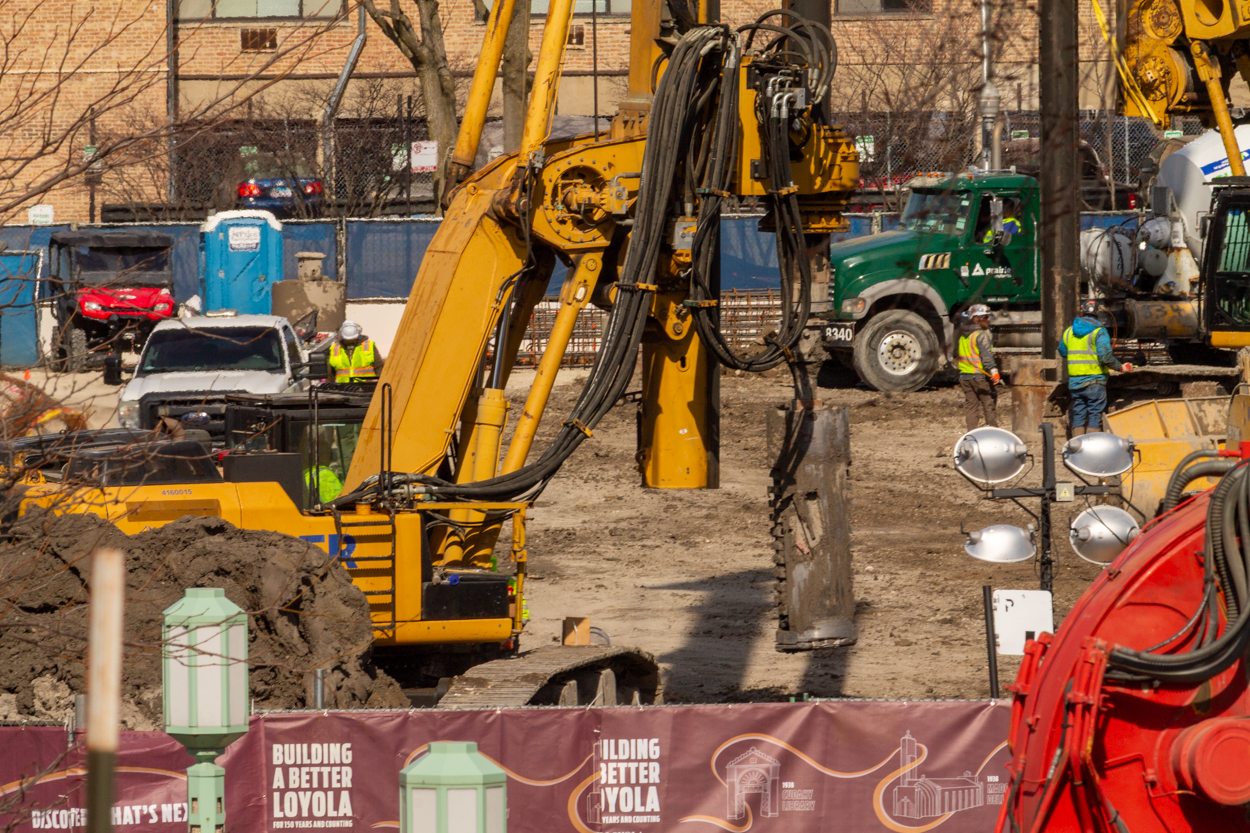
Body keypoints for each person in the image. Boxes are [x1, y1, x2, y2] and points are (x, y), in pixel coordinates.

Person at [1058, 310, 1132, 436]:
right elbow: (1105, 357)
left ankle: (1078, 447)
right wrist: (1121, 367)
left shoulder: (1069, 332)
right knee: (1094, 415)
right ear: (1097, 316)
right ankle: (1091, 446)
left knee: (1078, 414)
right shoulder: (1100, 331)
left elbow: (1063, 352)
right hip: (1095, 381)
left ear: (1081, 313)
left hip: (1075, 382)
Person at [956, 303, 1002, 431]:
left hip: (965, 377)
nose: (988, 320)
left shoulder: (963, 335)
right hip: (978, 376)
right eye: (985, 317)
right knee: (988, 403)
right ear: (976, 319)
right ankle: (993, 432)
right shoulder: (980, 335)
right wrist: (994, 372)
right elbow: (986, 356)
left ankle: (971, 434)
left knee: (971, 406)